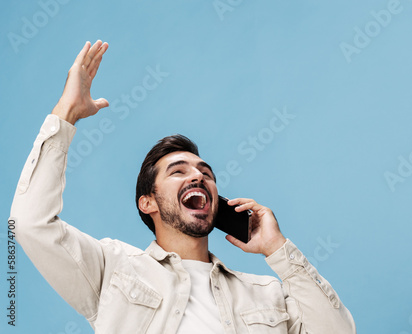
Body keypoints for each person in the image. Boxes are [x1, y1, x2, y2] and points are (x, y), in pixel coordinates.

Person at [10, 40, 356, 334]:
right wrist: (66, 113)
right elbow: (30, 224)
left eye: (205, 171)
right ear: (148, 203)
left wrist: (278, 249)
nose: (198, 176)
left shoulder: (265, 293)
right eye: (178, 171)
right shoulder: (113, 269)